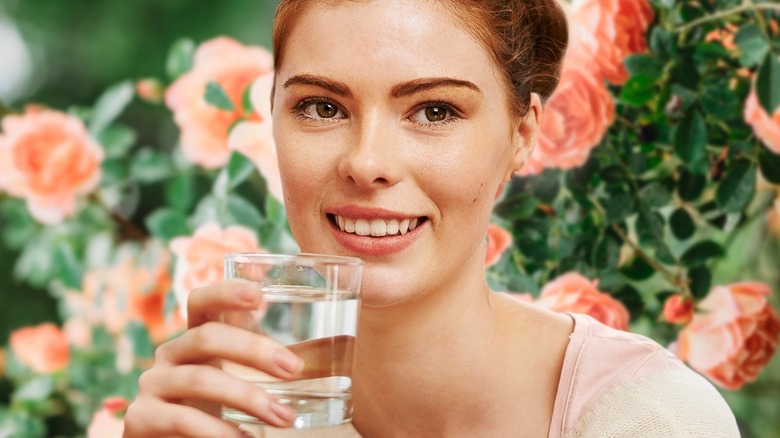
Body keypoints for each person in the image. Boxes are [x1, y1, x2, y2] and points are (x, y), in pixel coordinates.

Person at [123, 0, 740, 437]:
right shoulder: (232, 408)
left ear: (522, 134)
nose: (367, 163)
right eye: (320, 106)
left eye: (435, 111)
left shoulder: (651, 419)